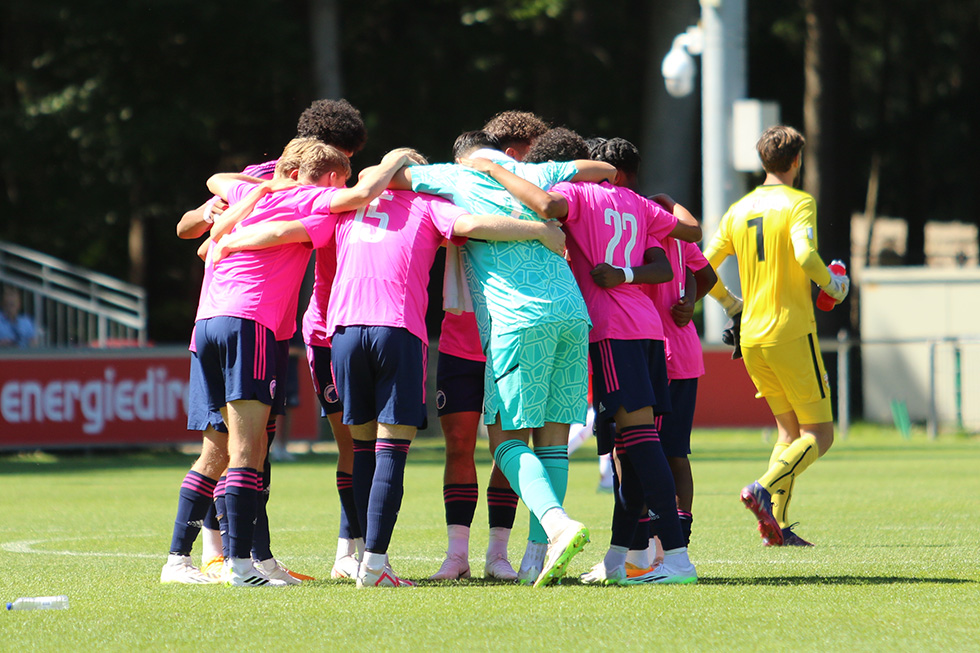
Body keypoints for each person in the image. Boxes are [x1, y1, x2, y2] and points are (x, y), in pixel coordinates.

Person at [213, 149, 568, 588]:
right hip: (396, 328)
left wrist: (228, 240)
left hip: (342, 332)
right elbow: (475, 226)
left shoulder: (346, 208)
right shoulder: (427, 204)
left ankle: (360, 556)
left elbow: (286, 228)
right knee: (390, 451)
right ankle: (376, 567)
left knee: (360, 449)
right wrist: (539, 230)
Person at [166, 141, 411, 588]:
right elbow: (357, 198)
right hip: (251, 321)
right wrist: (397, 157)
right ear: (332, 176)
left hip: (208, 322)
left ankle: (182, 560)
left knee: (222, 449)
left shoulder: (249, 190)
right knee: (246, 449)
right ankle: (239, 566)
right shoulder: (312, 199)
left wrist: (242, 209)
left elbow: (207, 220)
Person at [468, 130, 702, 585]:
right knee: (627, 448)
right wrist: (632, 266)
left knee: (638, 444)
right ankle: (620, 558)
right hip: (648, 331)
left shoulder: (578, 193)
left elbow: (547, 206)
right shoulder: (634, 202)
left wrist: (495, 169)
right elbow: (679, 245)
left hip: (613, 331)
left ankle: (675, 558)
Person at [389, 129, 618, 587]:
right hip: (572, 312)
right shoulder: (536, 171)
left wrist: (405, 157)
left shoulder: (452, 176)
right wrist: (517, 178)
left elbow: (393, 177)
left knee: (506, 444)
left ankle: (557, 525)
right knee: (552, 442)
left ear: (462, 157)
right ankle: (535, 559)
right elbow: (605, 170)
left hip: (519, 318)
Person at [702, 125, 849, 547]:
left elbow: (701, 265)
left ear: (761, 161)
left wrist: (731, 304)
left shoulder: (738, 210)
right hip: (790, 331)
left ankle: (777, 529)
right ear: (797, 162)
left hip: (751, 337)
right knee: (820, 435)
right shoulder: (798, 203)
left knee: (788, 433)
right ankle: (762, 489)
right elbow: (805, 254)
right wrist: (833, 286)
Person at [429, 111, 551, 582]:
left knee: (508, 445)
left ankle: (497, 553)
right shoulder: (448, 190)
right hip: (462, 338)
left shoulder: (528, 196)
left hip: (512, 333)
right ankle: (456, 554)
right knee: (459, 443)